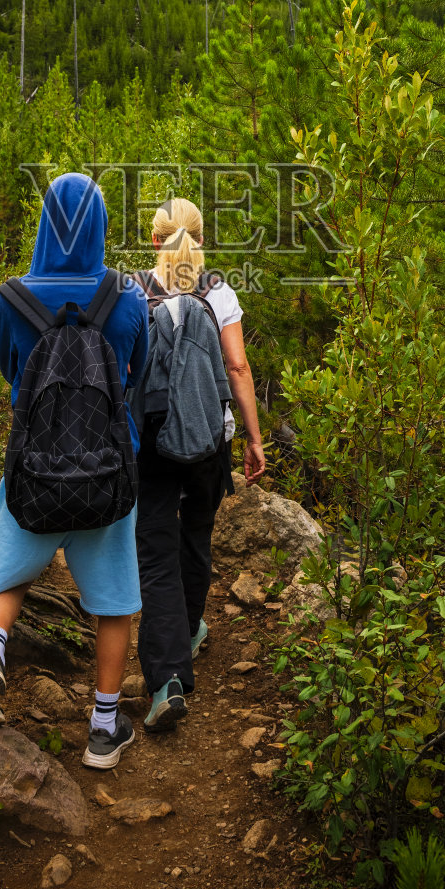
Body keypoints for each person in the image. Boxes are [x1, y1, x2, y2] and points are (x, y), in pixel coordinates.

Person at [0, 173, 149, 769]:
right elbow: (135, 373)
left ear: (46, 221)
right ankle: (102, 727)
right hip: (107, 471)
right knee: (114, 600)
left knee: (7, 576)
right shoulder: (126, 297)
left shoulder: (13, 297)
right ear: (97, 224)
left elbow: (8, 370)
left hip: (34, 468)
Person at [132, 197, 266, 732]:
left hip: (153, 441)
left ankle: (166, 679)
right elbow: (237, 366)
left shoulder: (131, 290)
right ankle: (189, 630)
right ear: (202, 240)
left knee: (157, 549)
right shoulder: (221, 291)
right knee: (197, 536)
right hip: (211, 440)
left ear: (155, 241)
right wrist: (254, 438)